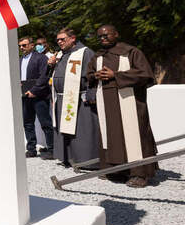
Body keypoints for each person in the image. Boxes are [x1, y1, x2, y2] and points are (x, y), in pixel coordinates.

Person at [86, 25, 157, 187]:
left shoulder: (131, 52)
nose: (103, 38)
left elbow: (145, 74)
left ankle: (139, 174)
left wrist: (115, 75)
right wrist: (95, 75)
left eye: (106, 35)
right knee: (111, 134)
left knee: (134, 135)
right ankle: (116, 170)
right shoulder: (98, 56)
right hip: (106, 101)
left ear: (116, 34)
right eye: (100, 36)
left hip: (129, 102)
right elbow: (88, 75)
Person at [49, 28, 100, 167]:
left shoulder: (85, 52)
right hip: (61, 98)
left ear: (73, 38)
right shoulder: (61, 54)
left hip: (78, 99)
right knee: (66, 130)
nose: (59, 42)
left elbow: (92, 74)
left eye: (62, 39)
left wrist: (91, 92)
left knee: (81, 130)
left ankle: (86, 160)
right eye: (58, 39)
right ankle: (69, 158)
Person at [18, 36, 54, 158]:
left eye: (24, 45)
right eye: (20, 46)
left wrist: (34, 90)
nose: (21, 48)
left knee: (45, 122)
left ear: (31, 45)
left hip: (39, 95)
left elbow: (44, 76)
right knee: (27, 123)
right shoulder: (20, 60)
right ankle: (31, 149)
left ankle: (52, 148)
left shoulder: (41, 58)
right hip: (25, 95)